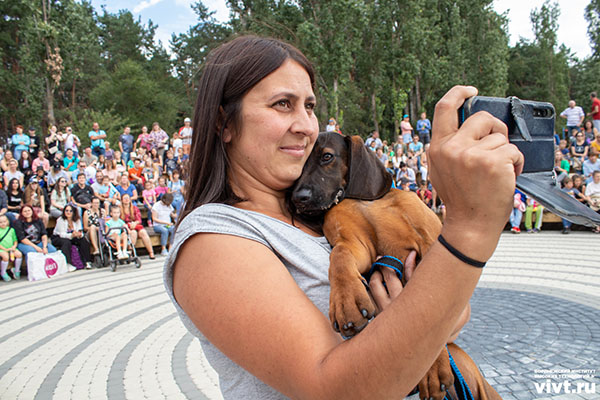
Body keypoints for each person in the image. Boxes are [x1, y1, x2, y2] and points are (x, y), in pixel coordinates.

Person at [166, 37, 523, 400]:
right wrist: (469, 229)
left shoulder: (327, 212)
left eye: (309, 106)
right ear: (224, 123)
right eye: (282, 104)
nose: (306, 126)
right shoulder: (212, 241)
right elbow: (333, 390)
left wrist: (431, 317)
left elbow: (455, 311)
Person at [15, 205, 57, 270]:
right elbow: (22, 238)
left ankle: (45, 269)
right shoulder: (18, 223)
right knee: (32, 252)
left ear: (32, 211)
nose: (27, 212)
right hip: (25, 244)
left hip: (38, 242)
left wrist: (44, 247)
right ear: (22, 213)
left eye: (29, 210)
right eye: (25, 211)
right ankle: (32, 270)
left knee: (52, 250)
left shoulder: (38, 220)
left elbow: (44, 234)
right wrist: (36, 247)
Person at [52, 204, 92, 269]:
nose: (68, 212)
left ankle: (87, 261)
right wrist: (72, 235)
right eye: (66, 211)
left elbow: (80, 230)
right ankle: (68, 263)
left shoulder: (77, 220)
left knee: (83, 240)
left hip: (72, 236)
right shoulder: (60, 220)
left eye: (70, 211)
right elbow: (62, 234)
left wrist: (79, 234)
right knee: (66, 242)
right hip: (58, 237)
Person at [120, 193, 155, 258]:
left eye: (128, 198)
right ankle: (130, 252)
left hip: (135, 226)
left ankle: (151, 252)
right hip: (125, 229)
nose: (127, 199)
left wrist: (135, 223)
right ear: (121, 200)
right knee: (133, 233)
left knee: (143, 232)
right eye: (125, 198)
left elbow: (139, 220)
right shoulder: (119, 209)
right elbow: (119, 221)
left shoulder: (134, 208)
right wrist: (128, 225)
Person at [0, 214, 22, 282]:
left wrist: (14, 246)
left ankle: (16, 270)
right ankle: (3, 272)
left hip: (11, 248)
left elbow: (15, 240)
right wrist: (5, 249)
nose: (3, 223)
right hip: (2, 249)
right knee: (5, 257)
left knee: (19, 254)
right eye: (0, 222)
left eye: (4, 221)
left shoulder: (11, 230)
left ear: (7, 221)